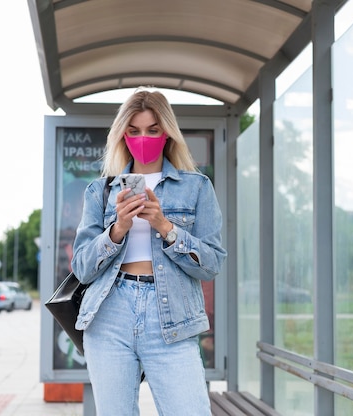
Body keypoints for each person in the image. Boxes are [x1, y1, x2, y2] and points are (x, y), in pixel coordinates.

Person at [71, 88, 227, 415]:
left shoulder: (197, 187)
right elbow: (82, 267)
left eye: (152, 130)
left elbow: (211, 264)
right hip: (110, 313)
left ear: (167, 132)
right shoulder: (100, 191)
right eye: (134, 130)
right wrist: (117, 230)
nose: (143, 138)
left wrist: (165, 226)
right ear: (122, 135)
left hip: (171, 314)